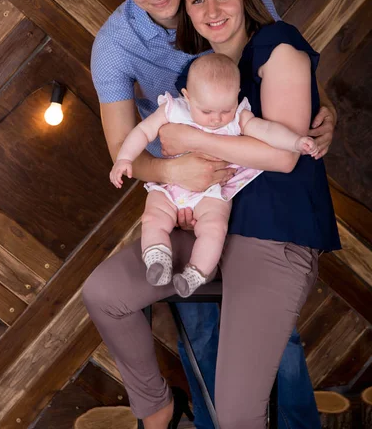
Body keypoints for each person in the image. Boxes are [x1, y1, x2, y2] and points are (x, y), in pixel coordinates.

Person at [83, 0, 337, 429]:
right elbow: (123, 150)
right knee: (181, 328)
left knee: (269, 363)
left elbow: (283, 62)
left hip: (264, 219)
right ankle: (160, 409)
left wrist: (323, 107)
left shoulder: (228, 3)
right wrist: (180, 170)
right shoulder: (115, 46)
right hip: (191, 208)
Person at [110, 53, 319, 297]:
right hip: (172, 185)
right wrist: (124, 159)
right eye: (206, 111)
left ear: (237, 96)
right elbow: (143, 132)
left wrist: (295, 141)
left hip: (212, 191)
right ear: (188, 96)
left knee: (214, 228)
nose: (217, 119)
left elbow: (267, 131)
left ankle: (196, 272)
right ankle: (158, 258)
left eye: (225, 109)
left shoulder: (239, 117)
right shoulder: (174, 109)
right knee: (153, 217)